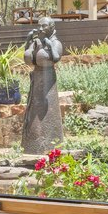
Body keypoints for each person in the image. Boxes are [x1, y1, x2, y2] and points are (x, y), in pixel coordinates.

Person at [21, 17, 64, 154]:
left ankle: (51, 147)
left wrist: (50, 45)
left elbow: (56, 57)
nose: (40, 29)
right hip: (37, 79)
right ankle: (32, 147)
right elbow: (28, 57)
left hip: (48, 82)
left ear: (51, 27)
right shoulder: (37, 41)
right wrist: (28, 41)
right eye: (39, 26)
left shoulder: (56, 42)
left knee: (48, 112)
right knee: (34, 115)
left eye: (44, 26)